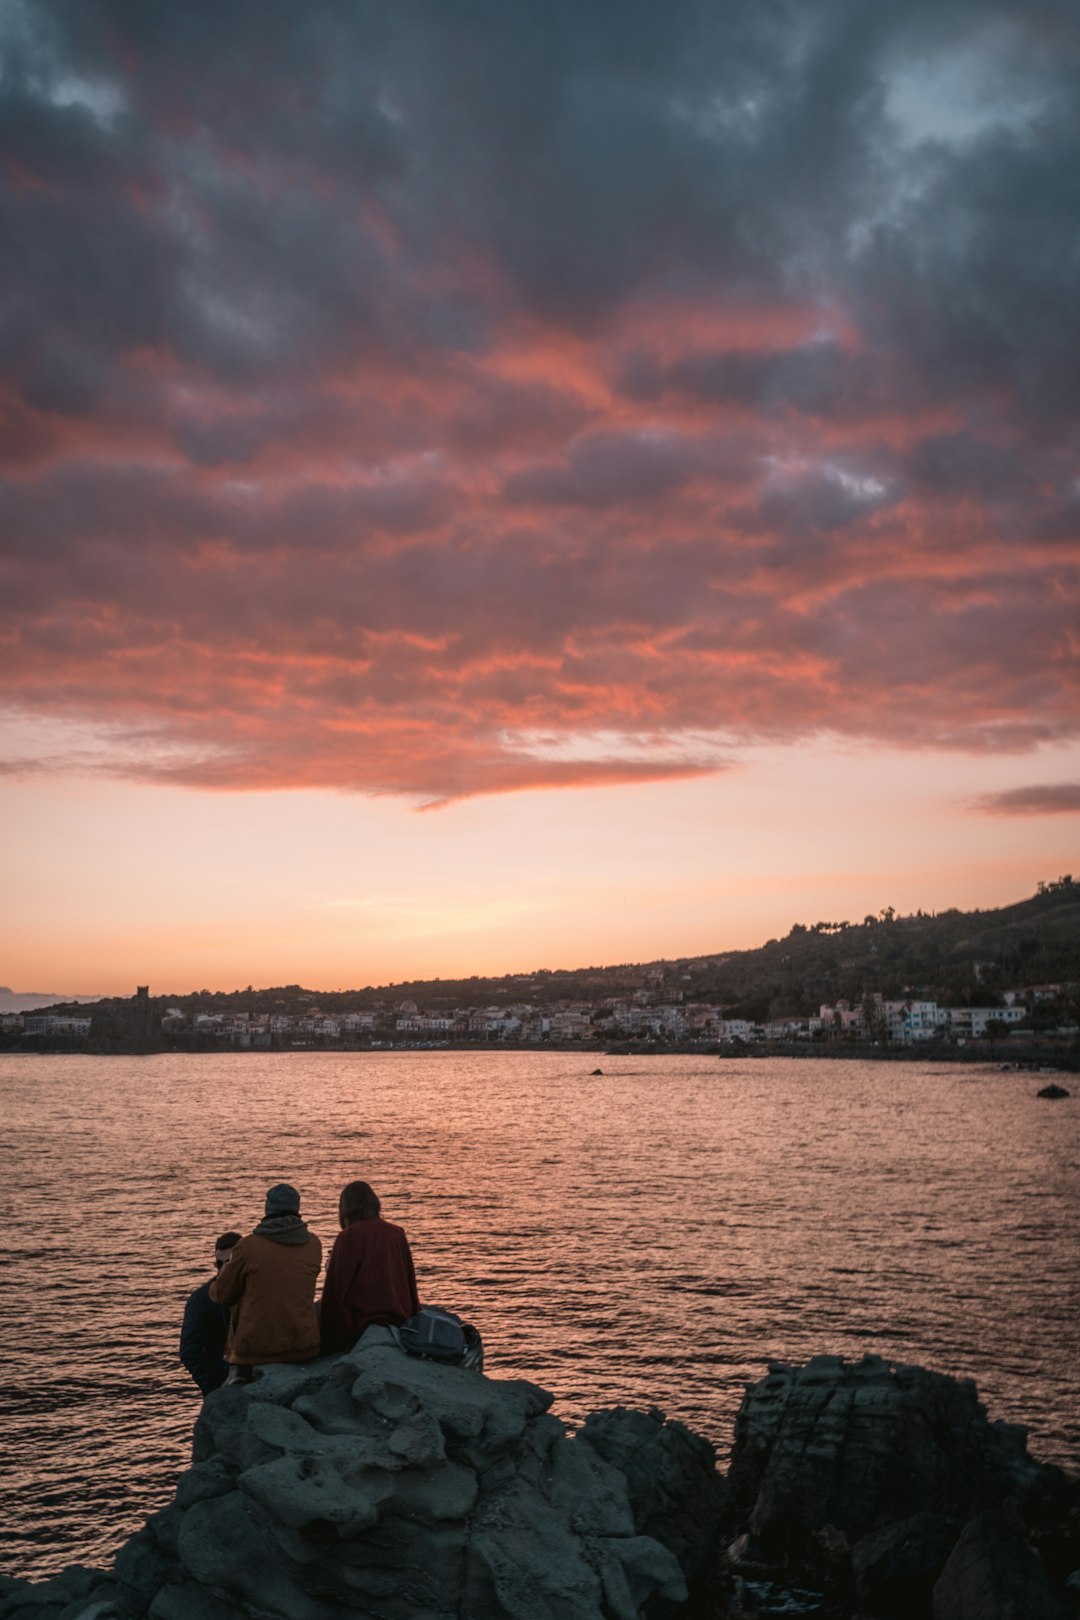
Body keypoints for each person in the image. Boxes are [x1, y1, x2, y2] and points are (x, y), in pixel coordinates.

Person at [210, 1184, 322, 1378]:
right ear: (297, 1208)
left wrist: (221, 1277)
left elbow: (222, 1295)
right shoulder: (313, 1244)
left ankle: (235, 1378)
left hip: (255, 1352)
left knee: (239, 1289)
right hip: (304, 1346)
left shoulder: (248, 1246)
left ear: (267, 1209)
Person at [320, 1180, 420, 1353]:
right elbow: (409, 1278)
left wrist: (325, 1336)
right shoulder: (396, 1232)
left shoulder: (349, 1235)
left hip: (361, 1322)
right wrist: (415, 1314)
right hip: (399, 1316)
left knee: (314, 1311)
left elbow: (335, 1292)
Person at [179, 1230, 242, 1395]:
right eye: (219, 1264)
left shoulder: (255, 1293)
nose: (222, 1270)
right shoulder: (201, 1299)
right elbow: (190, 1352)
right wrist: (212, 1389)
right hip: (221, 1382)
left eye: (228, 1263)